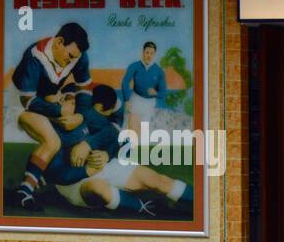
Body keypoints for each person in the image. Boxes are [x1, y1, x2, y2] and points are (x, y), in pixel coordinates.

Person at [47, 85, 193, 218]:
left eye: (72, 99)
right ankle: (143, 206)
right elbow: (58, 175)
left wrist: (104, 153)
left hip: (107, 166)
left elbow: (113, 133)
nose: (69, 104)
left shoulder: (89, 115)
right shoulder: (50, 132)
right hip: (77, 181)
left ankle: (205, 204)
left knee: (160, 181)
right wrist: (88, 170)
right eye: (63, 100)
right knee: (97, 188)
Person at [10, 22, 91, 210]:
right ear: (59, 42)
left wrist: (75, 106)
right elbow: (28, 101)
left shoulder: (78, 56)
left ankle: (44, 177)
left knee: (77, 130)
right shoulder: (34, 56)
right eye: (69, 55)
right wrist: (59, 110)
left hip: (46, 99)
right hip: (21, 102)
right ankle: (24, 191)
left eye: (75, 57)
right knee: (52, 141)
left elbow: (84, 87)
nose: (72, 60)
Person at [122, 41, 168, 138]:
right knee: (133, 129)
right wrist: (126, 100)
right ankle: (130, 150)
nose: (149, 56)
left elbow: (163, 93)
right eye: (147, 53)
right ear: (143, 52)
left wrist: (156, 93)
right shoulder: (134, 66)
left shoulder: (159, 71)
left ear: (154, 54)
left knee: (143, 131)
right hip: (136, 99)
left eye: (151, 53)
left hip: (150, 103)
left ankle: (139, 150)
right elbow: (125, 82)